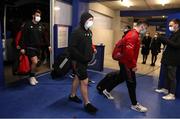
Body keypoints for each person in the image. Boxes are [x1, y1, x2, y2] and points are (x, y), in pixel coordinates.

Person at [98, 20, 148, 113]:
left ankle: (106, 90)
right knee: (132, 83)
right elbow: (129, 53)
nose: (145, 30)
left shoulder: (133, 34)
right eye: (145, 28)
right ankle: (134, 104)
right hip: (127, 63)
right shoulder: (133, 35)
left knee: (121, 78)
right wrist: (133, 65)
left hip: (125, 62)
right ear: (142, 26)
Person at [68, 12, 98, 113]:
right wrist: (82, 57)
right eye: (89, 20)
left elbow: (89, 43)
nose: (91, 22)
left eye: (92, 20)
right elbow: (72, 48)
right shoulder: (76, 32)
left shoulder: (89, 32)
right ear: (84, 20)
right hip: (77, 61)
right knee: (84, 81)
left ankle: (72, 95)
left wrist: (92, 49)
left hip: (84, 61)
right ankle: (87, 103)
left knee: (77, 77)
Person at [19, 9, 49, 85]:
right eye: (37, 15)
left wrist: (49, 45)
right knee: (34, 61)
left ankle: (32, 75)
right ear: (33, 16)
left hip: (38, 48)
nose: (38, 17)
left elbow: (44, 36)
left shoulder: (40, 26)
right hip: (30, 47)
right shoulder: (28, 24)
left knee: (35, 63)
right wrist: (22, 47)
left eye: (39, 16)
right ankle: (31, 77)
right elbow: (23, 36)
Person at [155, 19, 180, 100]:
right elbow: (168, 44)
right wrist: (162, 40)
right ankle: (166, 89)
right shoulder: (173, 34)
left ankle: (172, 94)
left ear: (176, 25)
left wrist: (165, 39)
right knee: (166, 76)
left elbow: (176, 45)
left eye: (171, 25)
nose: (170, 27)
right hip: (167, 58)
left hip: (173, 60)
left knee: (172, 77)